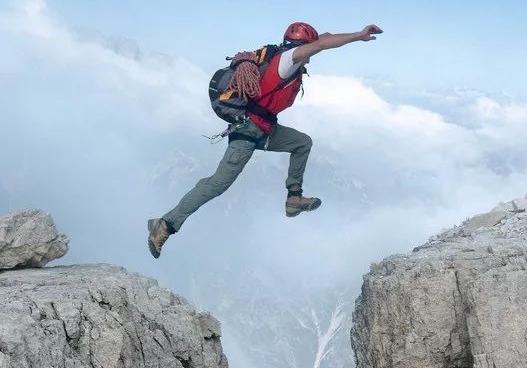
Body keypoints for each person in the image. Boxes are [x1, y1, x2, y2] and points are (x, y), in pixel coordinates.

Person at [147, 21, 383, 257]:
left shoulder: (285, 55)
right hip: (248, 132)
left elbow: (324, 37)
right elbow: (322, 43)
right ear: (303, 46)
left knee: (302, 142)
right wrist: (357, 37)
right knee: (218, 184)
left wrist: (357, 35)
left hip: (265, 129)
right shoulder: (288, 61)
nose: (312, 54)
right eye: (310, 48)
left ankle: (294, 198)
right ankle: (165, 224)